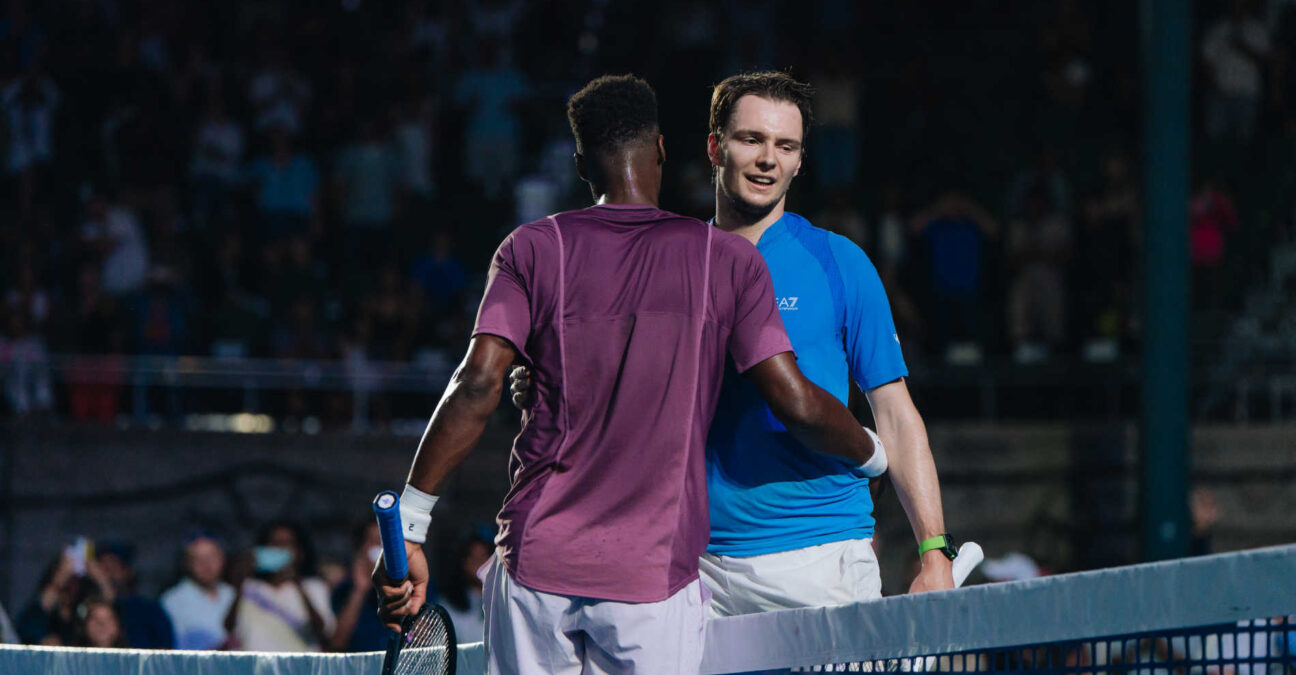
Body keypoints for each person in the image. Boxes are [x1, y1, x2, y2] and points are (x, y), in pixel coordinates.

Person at [374, 74, 880, 675]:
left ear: (582, 162)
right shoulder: (724, 259)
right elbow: (794, 401)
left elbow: (476, 384)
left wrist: (409, 523)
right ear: (663, 149)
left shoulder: (532, 248)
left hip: (537, 564)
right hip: (652, 579)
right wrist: (873, 454)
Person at [513, 72, 954, 616]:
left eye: (785, 146)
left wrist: (934, 552)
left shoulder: (840, 262)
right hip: (690, 571)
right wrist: (548, 379)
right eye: (751, 139)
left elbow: (896, 413)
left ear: (799, 161)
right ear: (714, 147)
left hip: (818, 559)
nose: (768, 158)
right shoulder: (666, 262)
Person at [225, 521, 335, 652]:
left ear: (300, 552)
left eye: (286, 544)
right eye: (273, 544)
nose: (279, 549)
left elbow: (322, 631)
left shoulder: (315, 587)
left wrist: (298, 586)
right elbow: (228, 627)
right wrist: (240, 580)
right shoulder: (249, 587)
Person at [160, 534, 235, 650]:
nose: (207, 565)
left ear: (222, 559)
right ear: (187, 564)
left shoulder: (232, 594)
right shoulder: (172, 601)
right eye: (198, 559)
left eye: (212, 557)